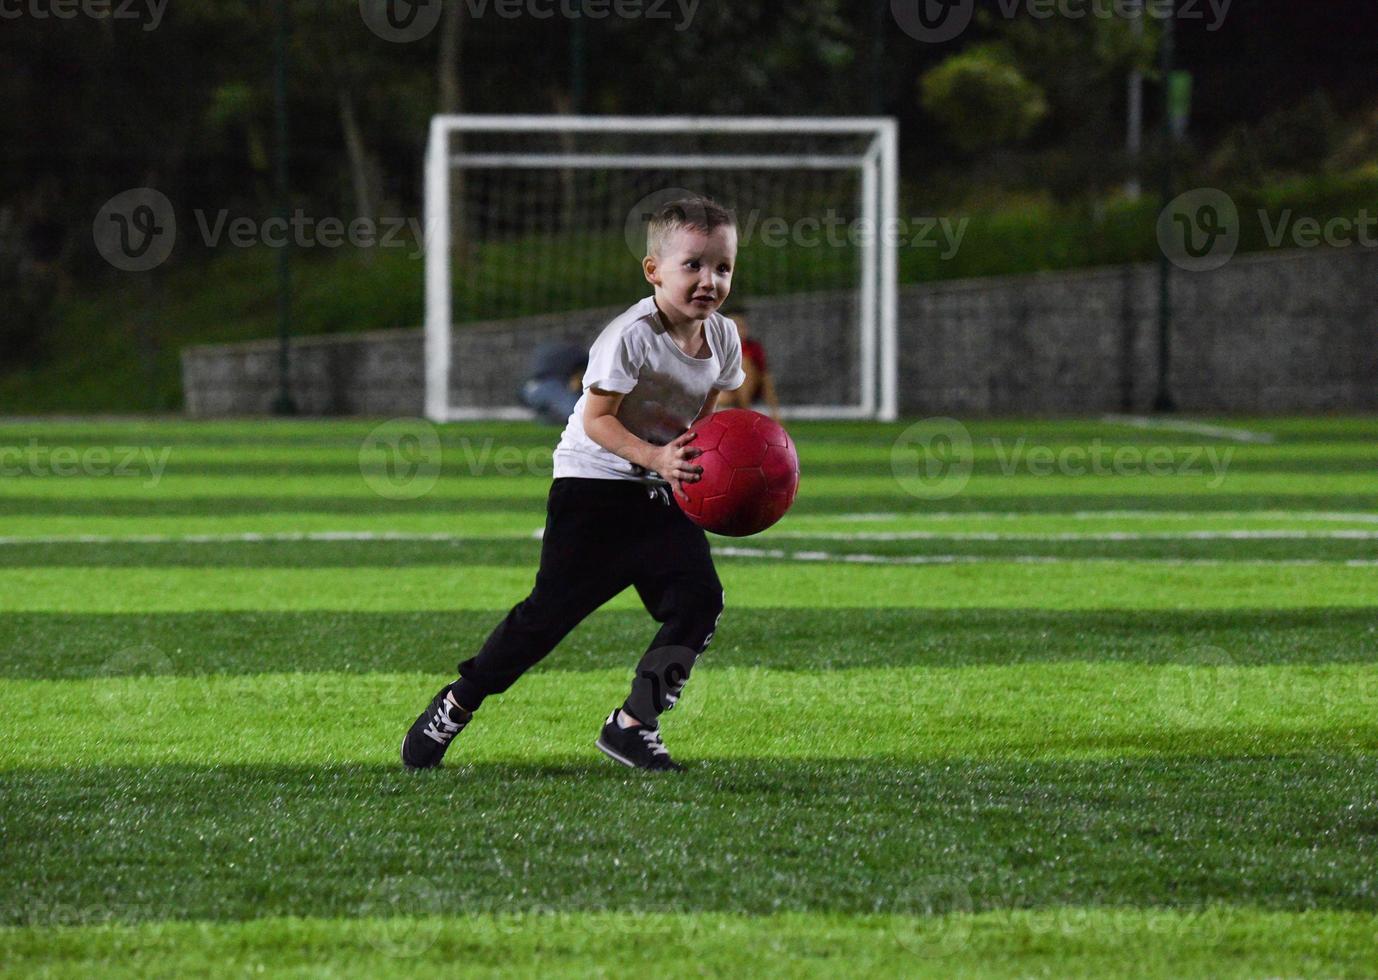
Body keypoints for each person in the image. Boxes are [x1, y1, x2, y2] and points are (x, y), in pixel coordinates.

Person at [402, 196, 745, 772]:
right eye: (693, 265)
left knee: (699, 599)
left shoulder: (724, 339)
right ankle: (458, 703)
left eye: (723, 267)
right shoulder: (630, 336)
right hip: (593, 485)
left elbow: (703, 414)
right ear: (653, 270)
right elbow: (597, 419)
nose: (709, 280)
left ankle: (634, 725)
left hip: (657, 485)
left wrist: (706, 473)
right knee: (545, 620)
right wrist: (657, 458)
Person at [719, 307, 781, 421]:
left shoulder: (753, 348)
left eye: (742, 326)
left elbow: (765, 379)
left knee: (744, 363)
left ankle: (746, 414)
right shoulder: (715, 348)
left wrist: (775, 411)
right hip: (724, 391)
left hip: (747, 389)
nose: (739, 330)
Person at [520, 341, 587, 425]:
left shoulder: (550, 353)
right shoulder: (578, 357)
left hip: (531, 389)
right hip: (547, 386)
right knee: (574, 412)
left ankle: (550, 418)